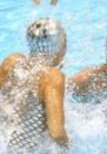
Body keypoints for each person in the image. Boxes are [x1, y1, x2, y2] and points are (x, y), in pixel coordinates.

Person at [0, 18, 69, 151]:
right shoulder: (53, 77)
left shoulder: (11, 62)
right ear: (60, 47)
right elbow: (56, 132)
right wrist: (69, 147)